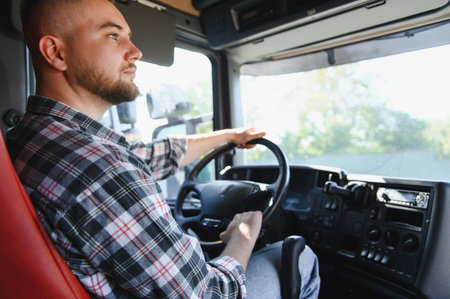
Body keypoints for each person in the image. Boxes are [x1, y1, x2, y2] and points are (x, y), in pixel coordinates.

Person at [7, 0, 320, 298]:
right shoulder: (102, 167)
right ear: (55, 52)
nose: (136, 51)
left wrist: (230, 136)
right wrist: (242, 236)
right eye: (113, 35)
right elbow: (206, 294)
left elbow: (149, 156)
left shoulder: (34, 138)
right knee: (300, 258)